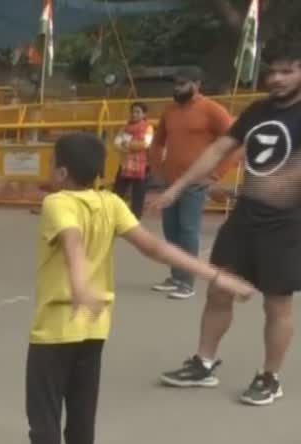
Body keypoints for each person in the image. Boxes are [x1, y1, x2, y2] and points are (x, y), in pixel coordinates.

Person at [0, 132, 255, 444]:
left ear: (61, 171)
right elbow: (155, 248)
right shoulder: (110, 202)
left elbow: (73, 244)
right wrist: (216, 276)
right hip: (94, 328)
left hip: (57, 328)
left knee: (44, 416)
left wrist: (79, 286)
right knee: (81, 412)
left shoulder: (58, 203)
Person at [156, 44, 301, 406]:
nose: (277, 79)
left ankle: (270, 377)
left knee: (277, 304)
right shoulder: (258, 111)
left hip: (288, 223)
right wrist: (177, 187)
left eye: (287, 72)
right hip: (245, 217)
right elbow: (219, 149)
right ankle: (204, 363)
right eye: (273, 72)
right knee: (219, 289)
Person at [148, 66, 238, 300]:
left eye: (182, 84)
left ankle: (187, 282)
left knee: (188, 230)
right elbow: (157, 143)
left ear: (197, 84)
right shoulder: (169, 111)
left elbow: (235, 144)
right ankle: (176, 276)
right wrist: (157, 170)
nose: (177, 88)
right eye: (175, 84)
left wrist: (215, 175)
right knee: (171, 231)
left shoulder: (212, 110)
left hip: (196, 184)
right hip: (170, 182)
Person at [112, 102, 153, 218]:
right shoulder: (125, 128)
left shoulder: (148, 127)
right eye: (133, 112)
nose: (134, 114)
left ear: (144, 114)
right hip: (125, 165)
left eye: (138, 112)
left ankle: (135, 219)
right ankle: (114, 216)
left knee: (138, 195)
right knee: (118, 193)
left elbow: (145, 144)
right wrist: (131, 146)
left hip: (142, 166)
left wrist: (127, 145)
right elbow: (116, 143)